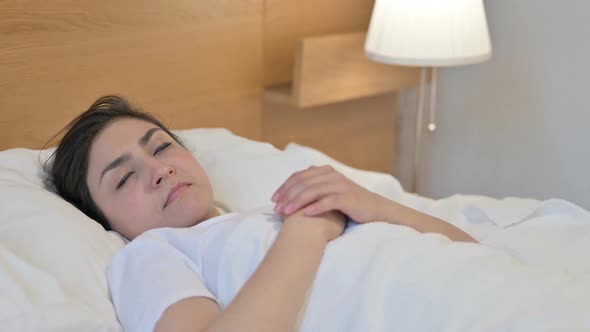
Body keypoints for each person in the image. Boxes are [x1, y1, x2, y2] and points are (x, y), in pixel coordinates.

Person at [46, 95, 482, 332]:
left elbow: (471, 254)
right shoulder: (149, 255)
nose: (159, 170)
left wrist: (373, 205)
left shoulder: (264, 214)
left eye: (161, 147)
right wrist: (308, 231)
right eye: (123, 179)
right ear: (103, 221)